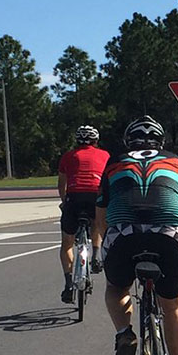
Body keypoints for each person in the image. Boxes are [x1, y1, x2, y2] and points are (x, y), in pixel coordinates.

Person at [96, 116, 178, 355]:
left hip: (123, 234)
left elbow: (101, 218)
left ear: (129, 142)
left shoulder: (114, 162)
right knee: (173, 305)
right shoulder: (177, 161)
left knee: (117, 288)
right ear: (160, 142)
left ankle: (125, 334)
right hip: (168, 235)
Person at [56, 125, 109, 304]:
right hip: (95, 195)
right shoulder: (105, 155)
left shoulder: (68, 156)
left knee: (67, 243)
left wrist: (64, 202)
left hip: (74, 197)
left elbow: (61, 184)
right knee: (97, 222)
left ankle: (68, 284)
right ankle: (95, 256)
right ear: (96, 141)